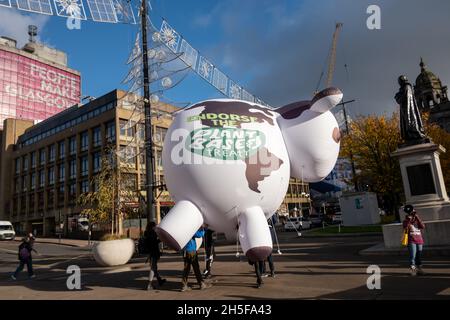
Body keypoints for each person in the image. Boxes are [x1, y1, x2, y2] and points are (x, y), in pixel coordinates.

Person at [181, 226, 212, 292]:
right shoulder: (190, 229)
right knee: (196, 268)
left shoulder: (182, 230)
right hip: (191, 251)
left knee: (186, 269)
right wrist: (204, 229)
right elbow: (199, 235)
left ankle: (184, 286)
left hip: (185, 251)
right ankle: (201, 284)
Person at [402, 205, 425, 276]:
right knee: (413, 256)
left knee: (419, 256)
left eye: (413, 213)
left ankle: (419, 269)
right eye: (412, 213)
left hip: (419, 240)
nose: (413, 214)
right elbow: (405, 227)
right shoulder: (405, 221)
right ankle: (413, 270)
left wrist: (417, 217)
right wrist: (409, 219)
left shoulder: (417, 220)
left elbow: (422, 226)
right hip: (411, 241)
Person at [143, 222, 166, 290]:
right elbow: (154, 242)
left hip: (151, 253)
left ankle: (159, 280)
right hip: (154, 253)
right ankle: (149, 285)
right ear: (152, 227)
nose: (156, 227)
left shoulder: (146, 233)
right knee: (153, 268)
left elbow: (150, 243)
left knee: (154, 268)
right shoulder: (152, 233)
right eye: (155, 226)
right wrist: (160, 239)